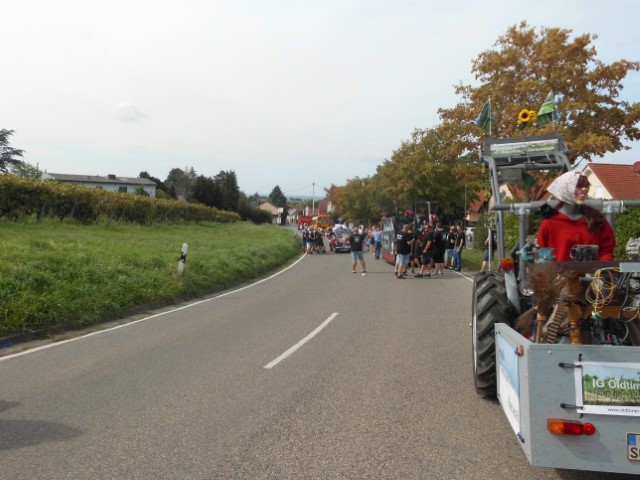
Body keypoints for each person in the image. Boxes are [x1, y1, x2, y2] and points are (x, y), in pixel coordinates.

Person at [537, 171, 616, 261]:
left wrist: (603, 267)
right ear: (565, 189)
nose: (584, 189)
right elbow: (542, 257)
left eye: (586, 186)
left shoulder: (597, 219)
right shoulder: (549, 224)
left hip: (594, 270)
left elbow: (606, 250)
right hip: (559, 270)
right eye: (578, 186)